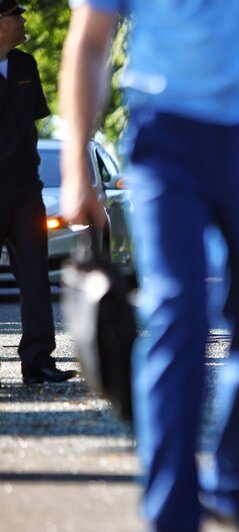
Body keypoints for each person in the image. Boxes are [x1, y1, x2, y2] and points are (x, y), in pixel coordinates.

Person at [59, 1, 239, 530]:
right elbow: (91, 39)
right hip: (167, 133)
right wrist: (77, 163)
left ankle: (235, 487)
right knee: (178, 314)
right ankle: (170, 511)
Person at [0, 0, 76, 385]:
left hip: (26, 189)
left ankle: (38, 362)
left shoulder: (26, 65)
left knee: (34, 276)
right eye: (15, 14)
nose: (23, 19)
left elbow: (34, 121)